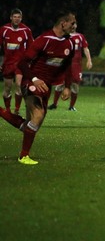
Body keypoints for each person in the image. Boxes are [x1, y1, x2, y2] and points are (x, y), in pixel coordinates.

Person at [0, 10, 77, 165]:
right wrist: (34, 79)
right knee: (38, 115)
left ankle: (1, 112)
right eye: (72, 23)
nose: (75, 26)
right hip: (31, 82)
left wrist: (67, 87)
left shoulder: (70, 43)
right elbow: (22, 62)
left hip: (46, 86)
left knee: (30, 125)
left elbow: (68, 66)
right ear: (63, 23)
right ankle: (24, 156)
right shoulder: (44, 39)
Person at [48, 23, 93, 111]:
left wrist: (89, 60)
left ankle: (71, 106)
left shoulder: (80, 36)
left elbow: (85, 48)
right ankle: (54, 104)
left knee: (75, 85)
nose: (73, 26)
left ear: (76, 26)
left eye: (74, 24)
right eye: (71, 24)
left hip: (76, 65)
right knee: (60, 84)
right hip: (64, 64)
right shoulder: (63, 36)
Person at [0, 8, 34, 115]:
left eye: (19, 17)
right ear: (11, 17)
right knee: (7, 88)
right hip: (8, 63)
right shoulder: (4, 29)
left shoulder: (26, 30)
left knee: (19, 85)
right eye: (14, 17)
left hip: (20, 63)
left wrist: (29, 62)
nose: (16, 19)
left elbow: (31, 47)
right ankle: (8, 110)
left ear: (21, 18)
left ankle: (17, 110)